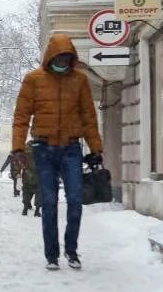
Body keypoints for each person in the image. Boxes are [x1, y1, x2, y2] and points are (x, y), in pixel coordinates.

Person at [11, 33, 103, 270]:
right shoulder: (33, 79)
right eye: (60, 57)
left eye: (67, 57)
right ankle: (52, 255)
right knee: (49, 201)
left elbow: (89, 117)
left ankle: (71, 251)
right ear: (51, 55)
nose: (63, 61)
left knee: (75, 200)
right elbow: (21, 117)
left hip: (71, 147)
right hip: (42, 148)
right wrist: (18, 148)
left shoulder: (79, 80)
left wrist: (96, 149)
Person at [19, 147, 40, 217]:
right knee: (39, 193)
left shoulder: (26, 148)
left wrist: (24, 168)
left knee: (27, 193)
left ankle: (25, 210)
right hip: (38, 176)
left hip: (27, 176)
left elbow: (20, 161)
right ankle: (37, 211)